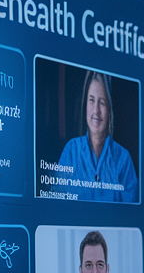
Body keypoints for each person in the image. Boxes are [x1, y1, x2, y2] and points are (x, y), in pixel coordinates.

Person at [56, 70, 139, 203]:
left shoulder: (124, 159)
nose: (96, 111)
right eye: (91, 100)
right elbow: (56, 202)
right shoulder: (71, 151)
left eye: (102, 103)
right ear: (85, 103)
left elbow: (131, 215)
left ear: (110, 109)